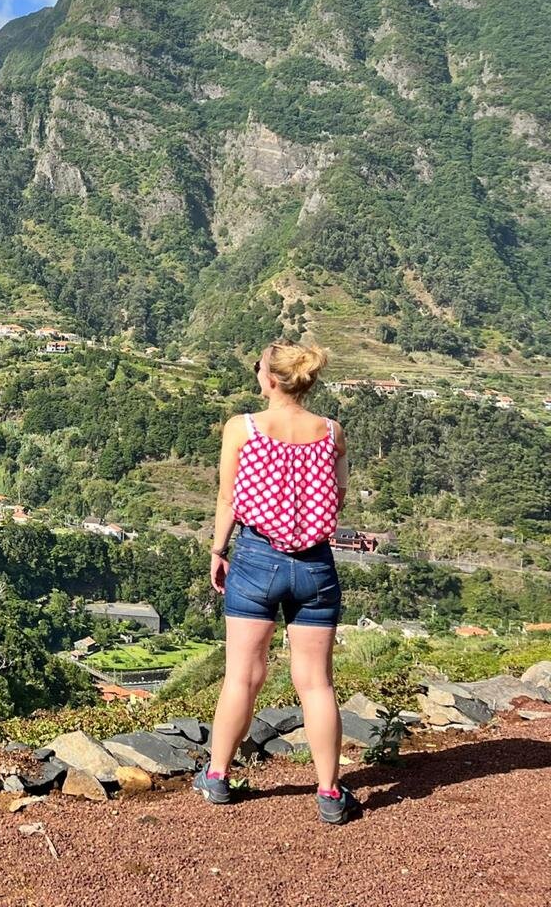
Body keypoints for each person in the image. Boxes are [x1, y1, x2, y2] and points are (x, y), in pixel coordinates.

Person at [193, 342, 356, 824]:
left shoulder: (241, 429)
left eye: (259, 368)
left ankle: (218, 777)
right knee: (316, 683)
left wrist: (218, 551)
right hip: (315, 566)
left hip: (256, 558)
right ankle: (329, 791)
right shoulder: (331, 432)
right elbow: (339, 495)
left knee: (243, 676)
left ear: (269, 380)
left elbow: (228, 499)